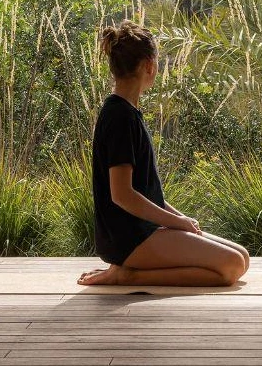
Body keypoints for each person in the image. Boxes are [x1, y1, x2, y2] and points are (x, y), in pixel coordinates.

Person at [77, 21, 250, 287]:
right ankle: (128, 274)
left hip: (143, 230)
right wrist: (176, 223)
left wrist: (180, 218)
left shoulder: (128, 113)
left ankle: (128, 271)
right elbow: (121, 195)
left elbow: (145, 193)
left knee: (242, 257)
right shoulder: (119, 117)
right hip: (130, 238)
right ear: (150, 65)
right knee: (232, 266)